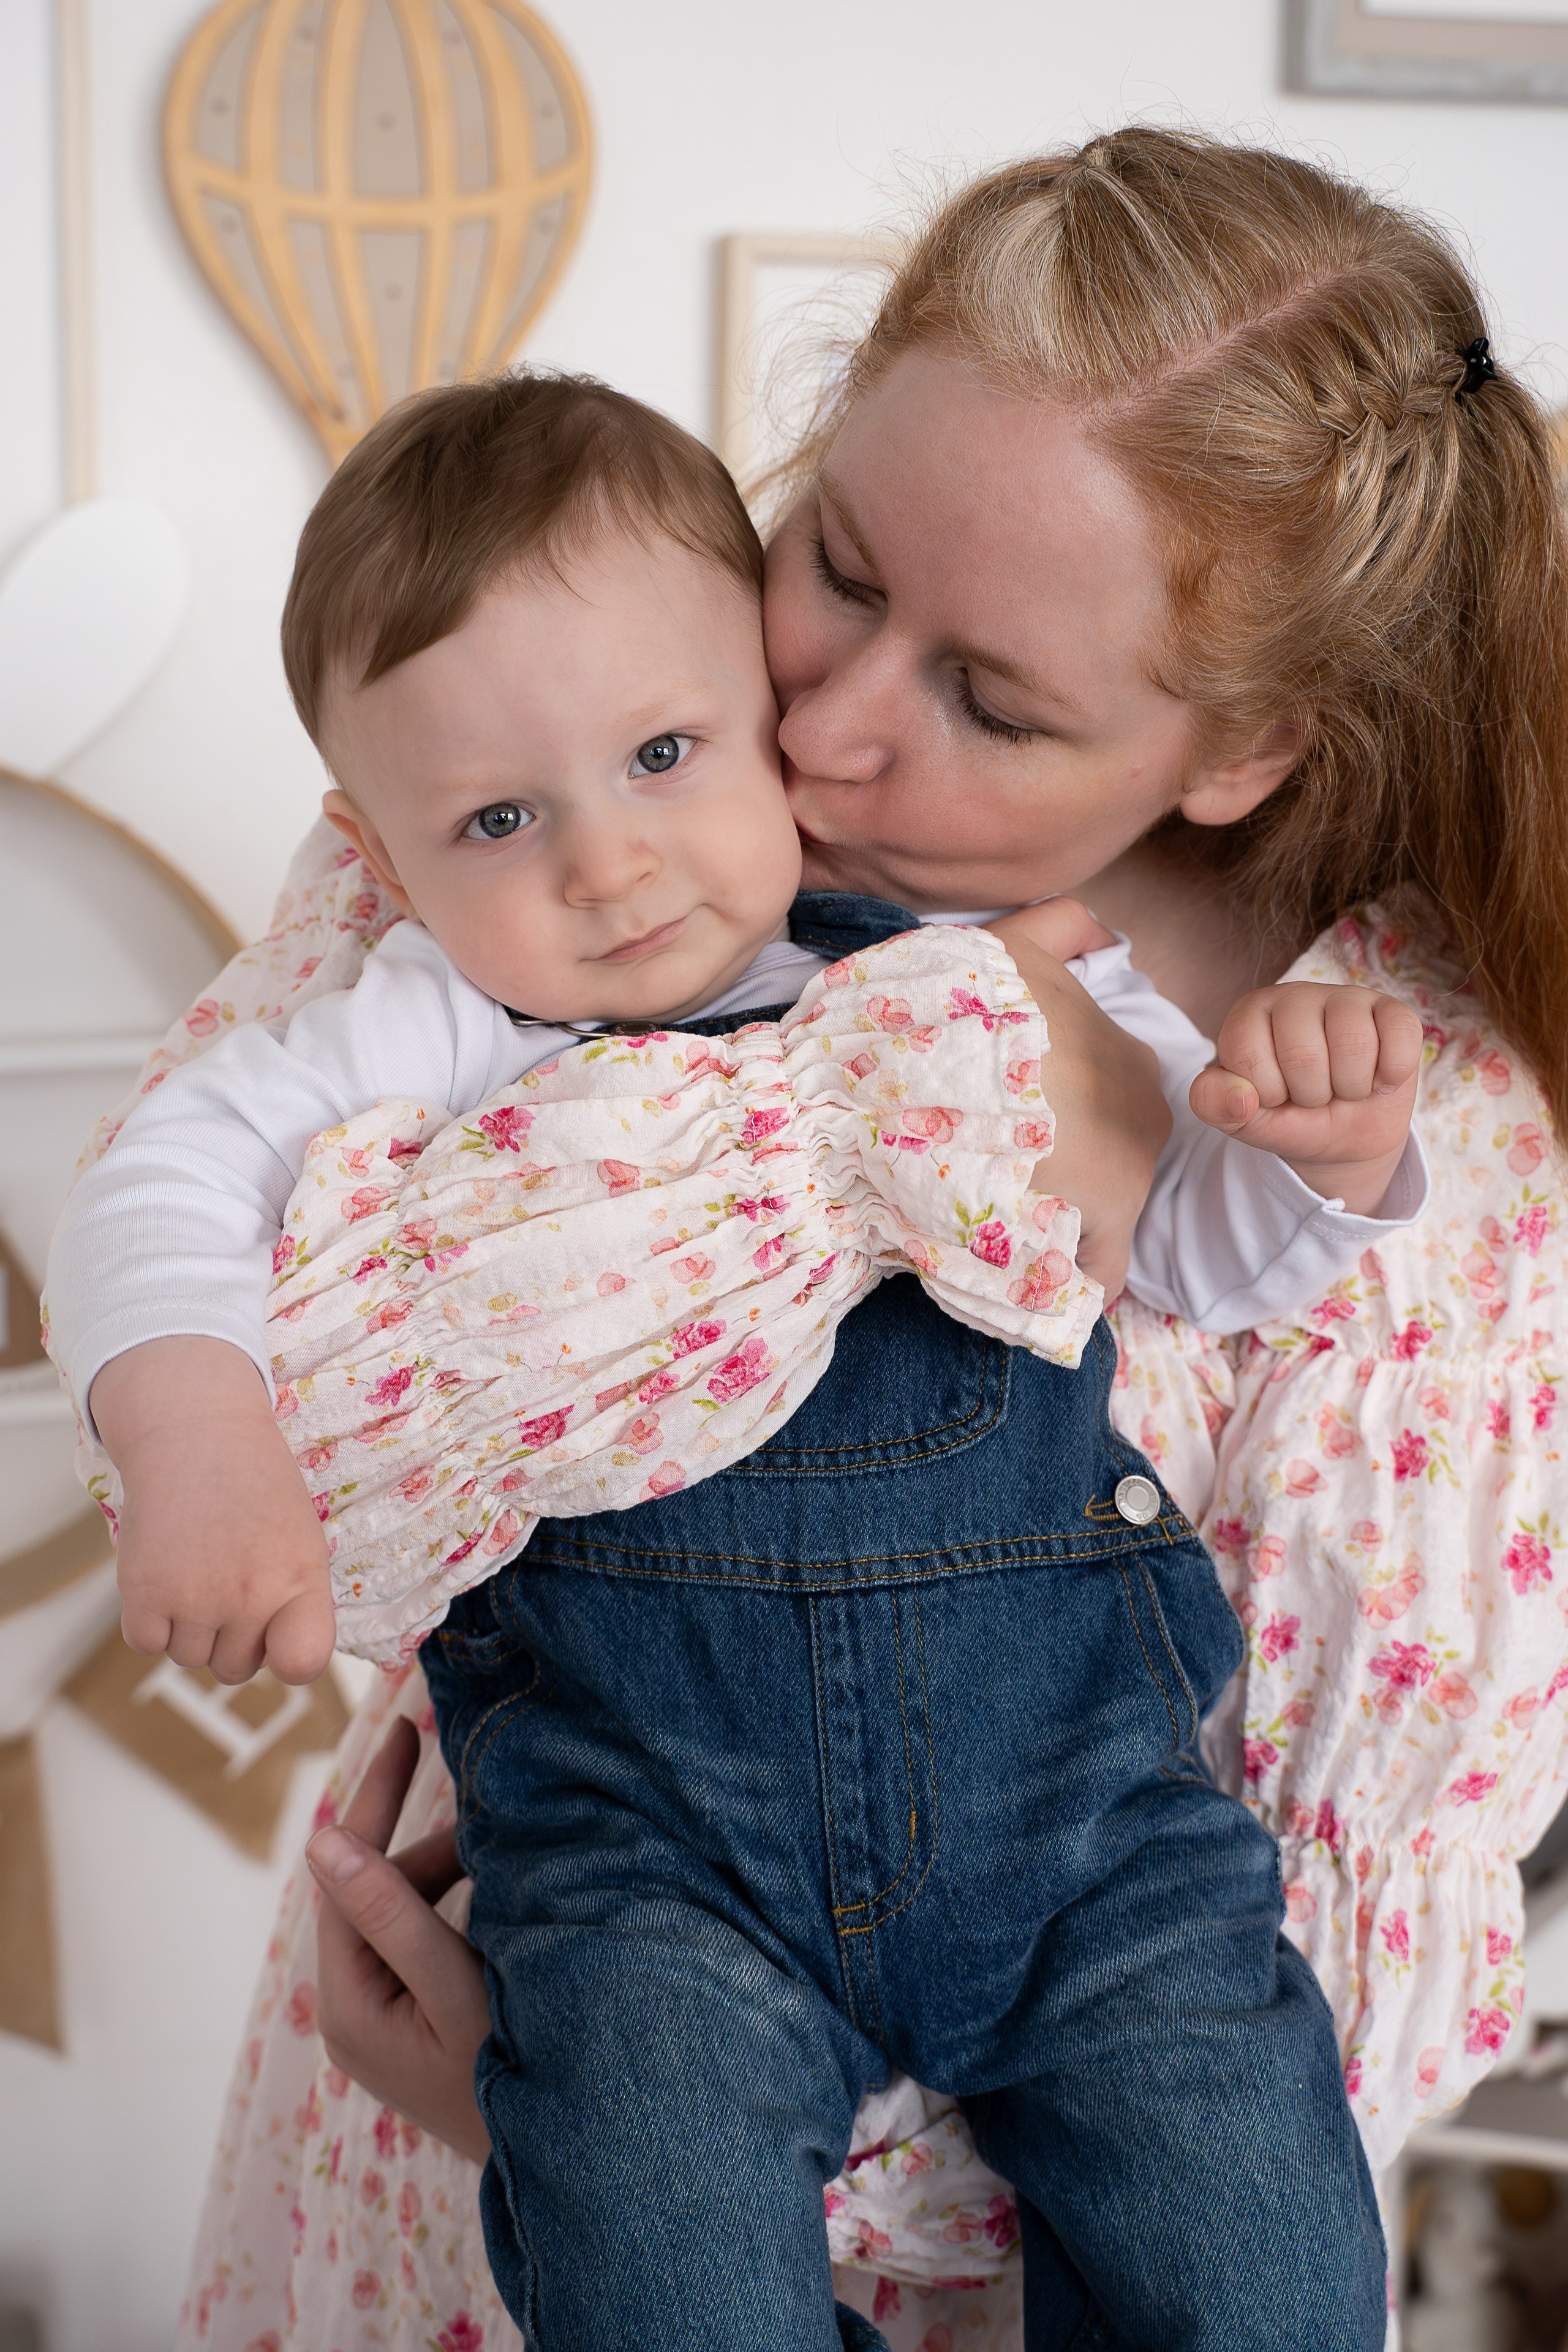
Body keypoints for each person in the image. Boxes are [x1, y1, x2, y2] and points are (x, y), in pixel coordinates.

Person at [164, 124, 1568, 2350]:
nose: (815, 725)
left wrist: (544, 2115)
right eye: (832, 558)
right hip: (549, 2064)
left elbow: (1334, 2006)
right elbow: (289, 1433)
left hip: (866, 2208)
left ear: (1242, 749)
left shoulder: (1439, 1143)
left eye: (991, 701)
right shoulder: (519, 833)